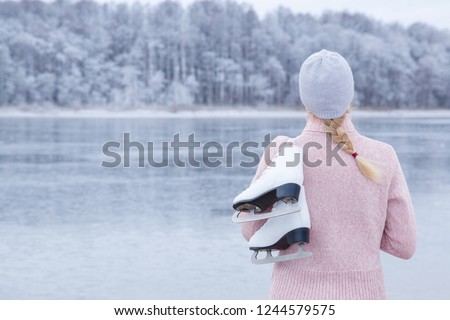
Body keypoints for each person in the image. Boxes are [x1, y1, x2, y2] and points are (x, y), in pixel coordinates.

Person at [240, 49, 416, 299]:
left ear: (304, 98)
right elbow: (404, 245)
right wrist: (361, 232)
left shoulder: (282, 152)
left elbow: (252, 231)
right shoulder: (382, 155)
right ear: (350, 95)